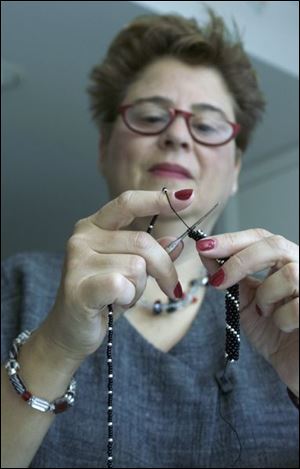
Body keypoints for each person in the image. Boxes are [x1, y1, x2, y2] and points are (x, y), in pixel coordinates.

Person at [1, 8, 299, 469]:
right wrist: (55, 348)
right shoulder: (18, 287)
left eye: (206, 125)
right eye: (151, 116)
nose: (177, 134)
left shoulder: (283, 317)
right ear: (104, 149)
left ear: (237, 170)